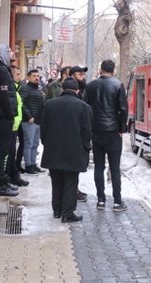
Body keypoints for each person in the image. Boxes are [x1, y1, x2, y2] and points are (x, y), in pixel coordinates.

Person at [40, 78, 93, 223]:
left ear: (62, 89)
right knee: (71, 181)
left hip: (53, 150)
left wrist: (48, 144)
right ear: (77, 91)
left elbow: (43, 129)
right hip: (74, 151)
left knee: (56, 181)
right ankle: (67, 212)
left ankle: (56, 210)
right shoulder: (83, 107)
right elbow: (86, 132)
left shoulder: (50, 105)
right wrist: (85, 147)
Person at [84, 59, 128, 212]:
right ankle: (117, 201)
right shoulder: (118, 85)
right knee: (115, 168)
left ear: (100, 69)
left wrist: (89, 127)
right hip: (113, 131)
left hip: (96, 131)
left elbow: (86, 108)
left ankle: (100, 200)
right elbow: (123, 109)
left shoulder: (90, 86)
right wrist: (122, 128)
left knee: (99, 166)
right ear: (113, 70)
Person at [0, 45, 29, 196]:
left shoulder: (1, 69)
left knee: (3, 152)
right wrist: (10, 115)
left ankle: (3, 182)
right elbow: (4, 96)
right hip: (3, 118)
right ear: (2, 54)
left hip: (2, 117)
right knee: (2, 153)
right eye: (9, 51)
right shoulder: (0, 71)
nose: (12, 53)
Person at [69, 65, 90, 202]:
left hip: (78, 133)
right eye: (80, 74)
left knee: (75, 166)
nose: (83, 77)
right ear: (72, 76)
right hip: (70, 133)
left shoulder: (82, 90)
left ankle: (74, 190)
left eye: (83, 74)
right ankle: (70, 193)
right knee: (70, 166)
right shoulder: (66, 90)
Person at [20, 69, 46, 174]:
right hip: (29, 121)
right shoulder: (25, 89)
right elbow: (21, 104)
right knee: (28, 144)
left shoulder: (39, 89)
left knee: (35, 144)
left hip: (38, 121)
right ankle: (28, 165)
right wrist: (29, 116)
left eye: (38, 76)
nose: (36, 78)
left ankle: (33, 164)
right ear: (28, 77)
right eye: (34, 76)